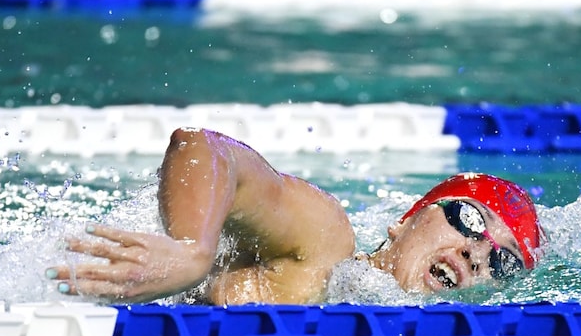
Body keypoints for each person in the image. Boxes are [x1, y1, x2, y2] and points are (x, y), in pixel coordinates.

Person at [45, 128, 543, 304]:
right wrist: (191, 253)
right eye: (470, 222)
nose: (477, 253)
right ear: (406, 219)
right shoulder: (326, 248)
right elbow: (202, 147)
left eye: (501, 265)